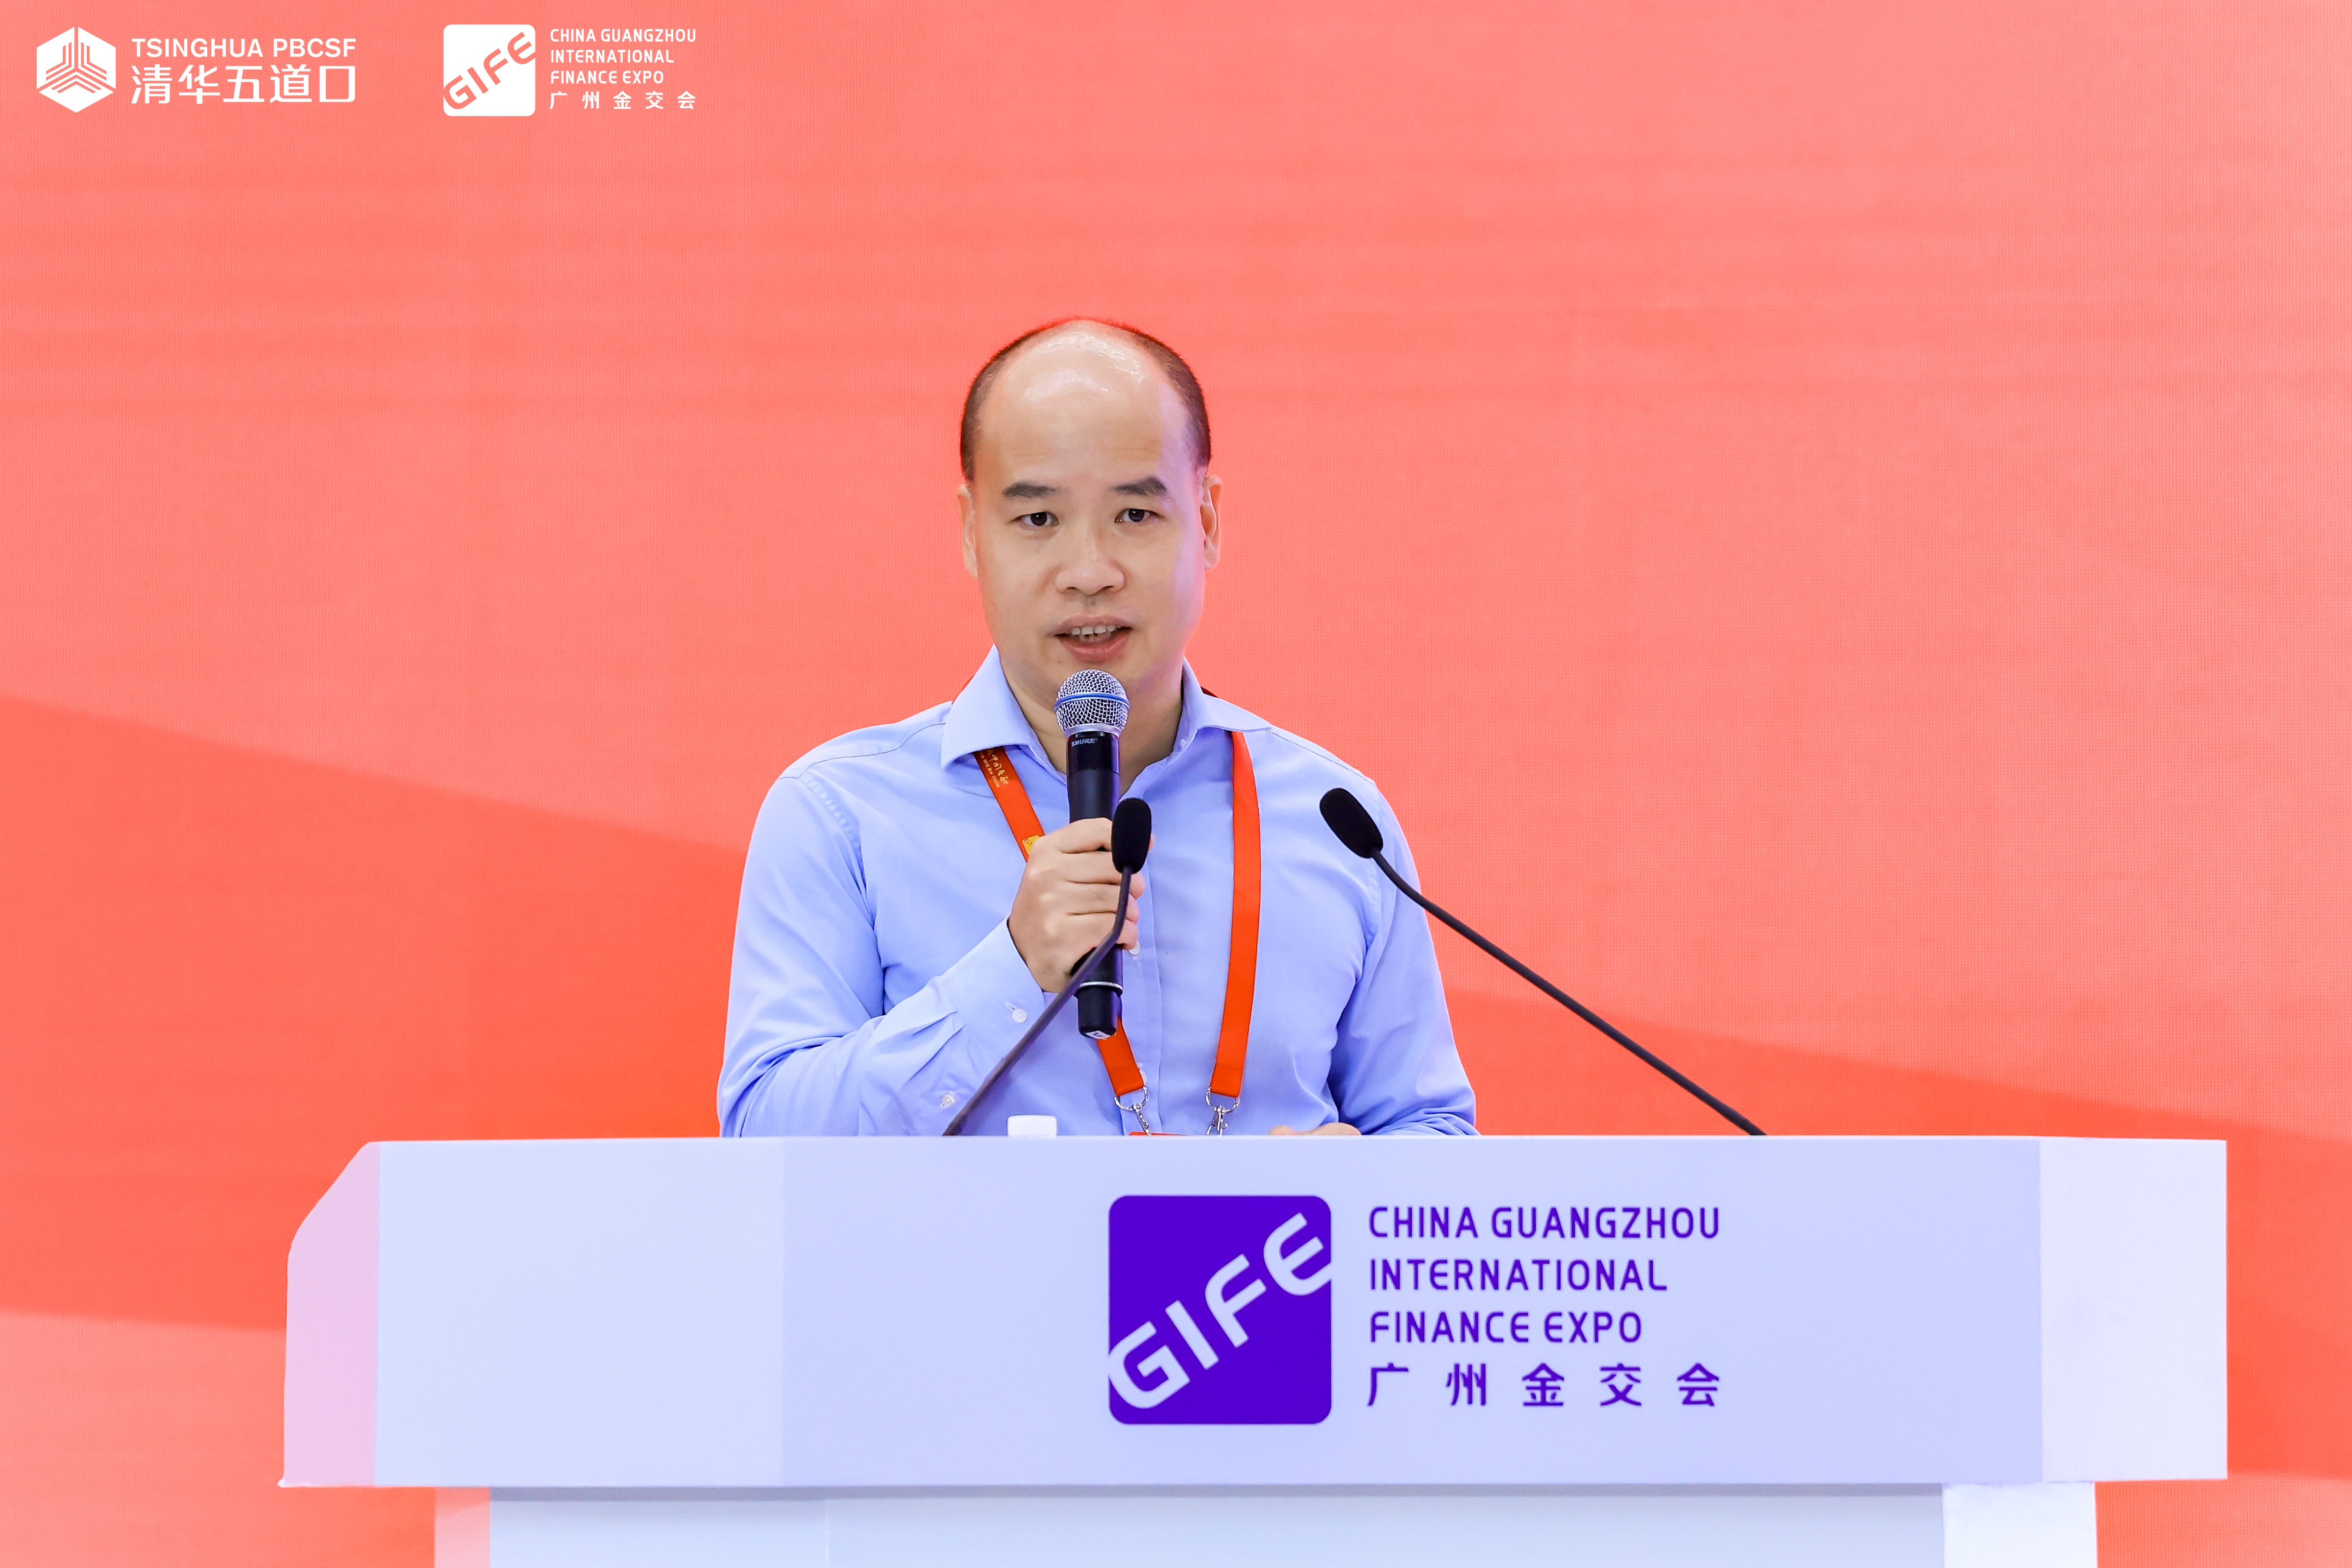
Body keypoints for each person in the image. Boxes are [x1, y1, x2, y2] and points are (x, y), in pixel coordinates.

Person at [719, 320, 1476, 1137]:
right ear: (972, 532)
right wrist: (1012, 969)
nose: (1089, 572)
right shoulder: (841, 815)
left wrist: (1361, 1180)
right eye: (1038, 520)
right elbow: (764, 1138)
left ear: (1207, 522)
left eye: (1135, 514)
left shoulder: (1336, 820)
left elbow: (1431, 1127)